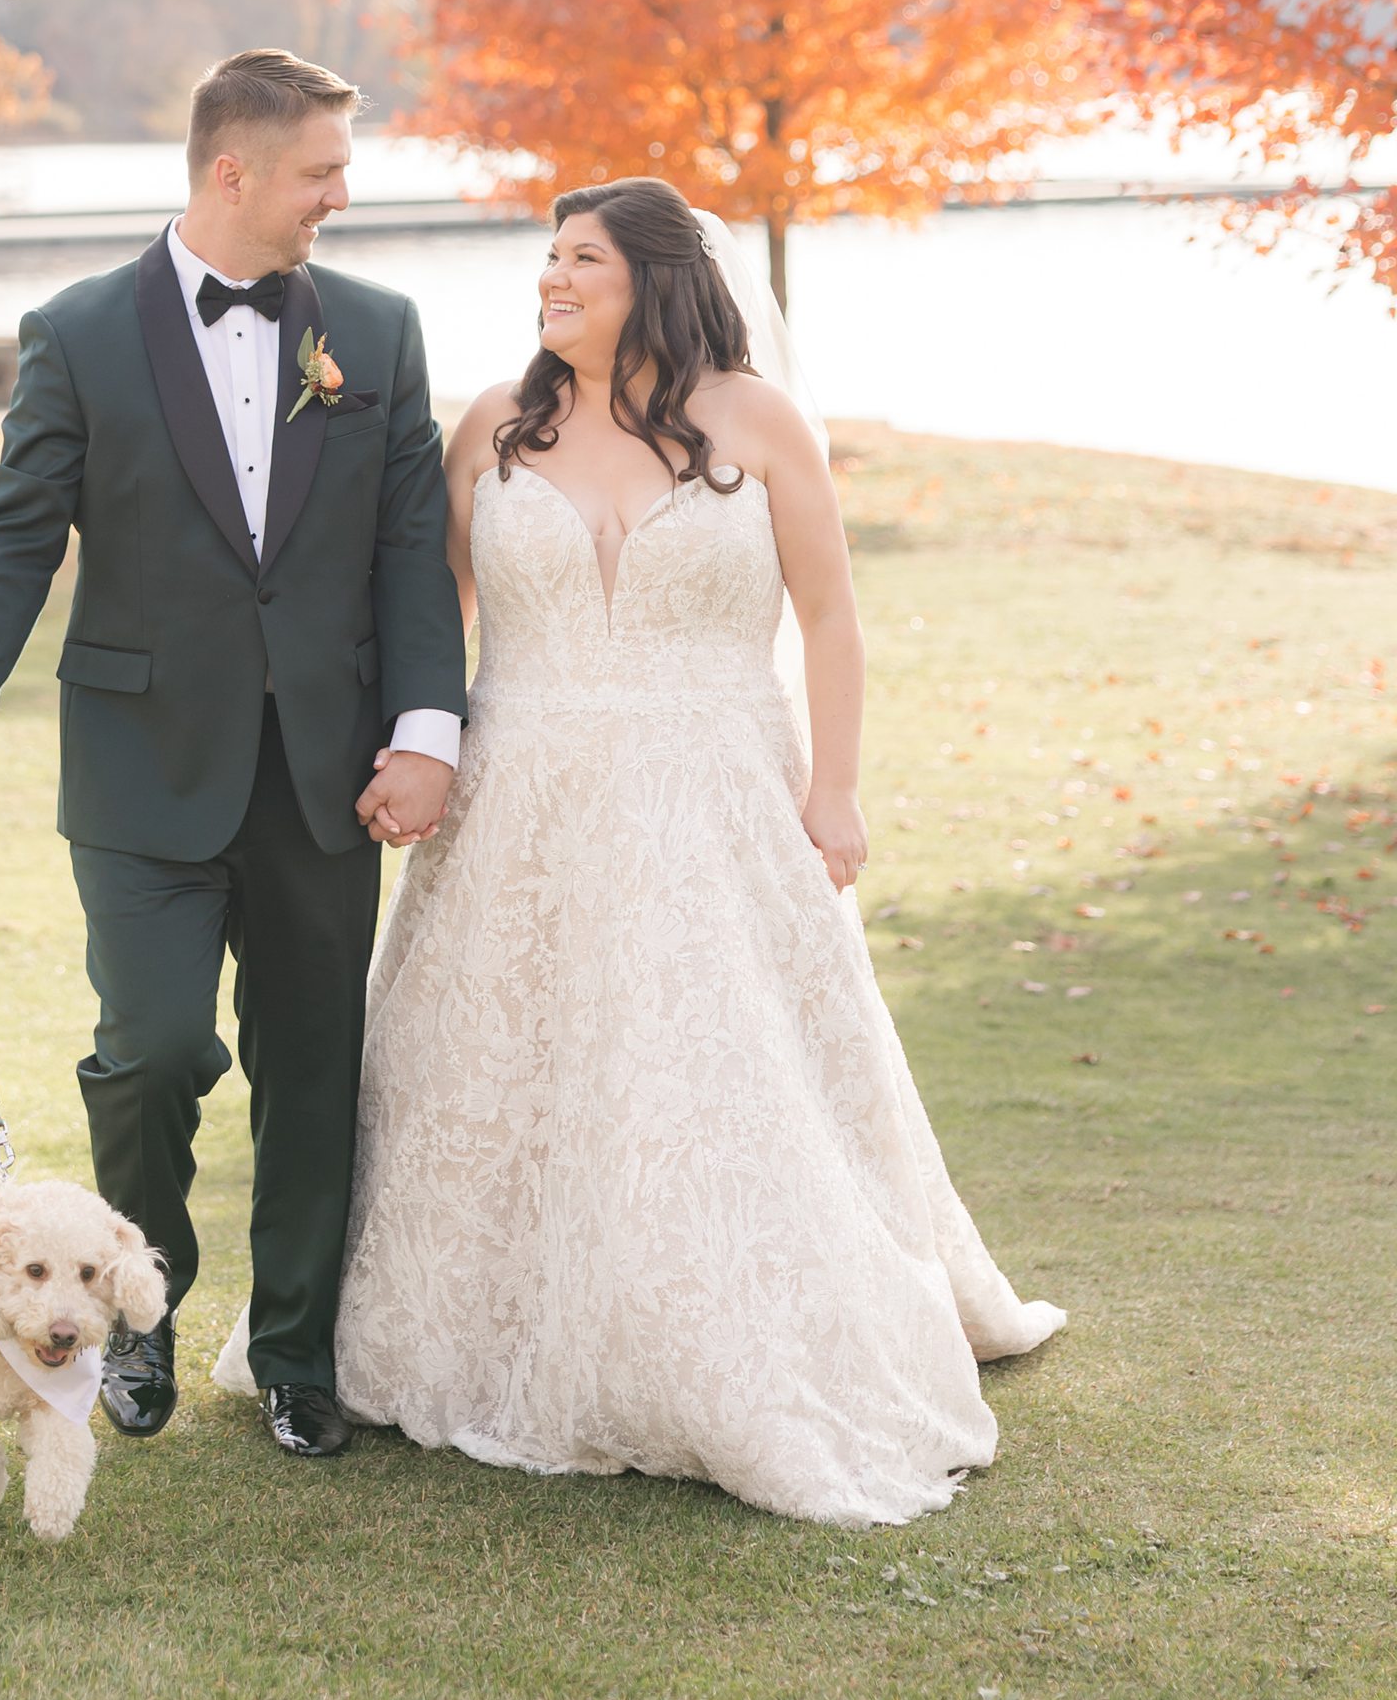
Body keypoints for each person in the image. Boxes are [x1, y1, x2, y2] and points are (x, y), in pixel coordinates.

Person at [319, 178, 1064, 1527]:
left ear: (655, 277)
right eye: (547, 260)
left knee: (707, 1063)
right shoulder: (496, 422)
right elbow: (430, 609)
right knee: (508, 1063)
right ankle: (482, 1330)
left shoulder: (757, 420)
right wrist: (413, 740)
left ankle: (732, 1333)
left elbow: (830, 618)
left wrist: (835, 789)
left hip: (714, 791)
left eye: (582, 261)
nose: (552, 281)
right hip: (525, 796)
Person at [0, 49, 468, 1459]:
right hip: (143, 772)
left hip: (329, 775)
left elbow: (408, 555)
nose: (341, 194)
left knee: (316, 1067)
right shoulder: (78, 332)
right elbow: (13, 538)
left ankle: (295, 1354)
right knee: (148, 1051)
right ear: (234, 171)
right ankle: (135, 1327)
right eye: (322, 169)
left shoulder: (377, 334)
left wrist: (427, 733)